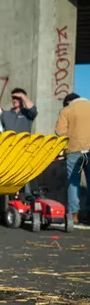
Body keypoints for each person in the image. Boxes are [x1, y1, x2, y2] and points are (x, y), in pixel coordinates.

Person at [55, 92, 90, 224]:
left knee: (73, 182)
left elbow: (60, 132)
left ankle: (73, 215)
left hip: (74, 149)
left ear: (68, 102)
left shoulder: (67, 110)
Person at [1, 88, 38, 196]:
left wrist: (23, 96)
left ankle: (25, 200)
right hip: (9, 152)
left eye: (18, 97)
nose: (15, 100)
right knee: (8, 178)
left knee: (24, 178)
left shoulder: (28, 113)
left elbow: (33, 110)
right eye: (13, 97)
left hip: (24, 151)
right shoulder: (6, 115)